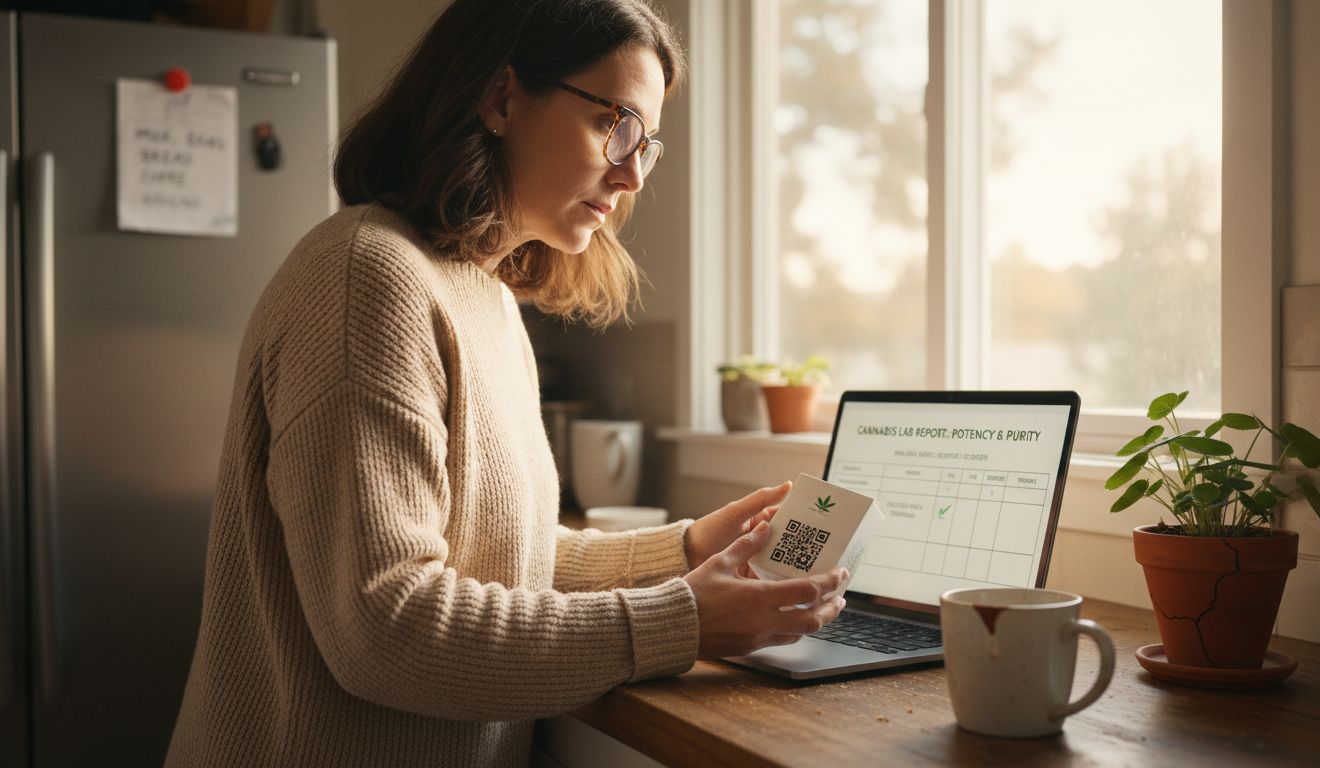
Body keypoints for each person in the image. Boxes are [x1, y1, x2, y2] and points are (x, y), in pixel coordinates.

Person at [165, 1, 846, 765]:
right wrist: (679, 620)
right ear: (501, 96)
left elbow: (504, 555)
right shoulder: (369, 278)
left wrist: (684, 550)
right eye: (615, 123)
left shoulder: (482, 293)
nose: (630, 174)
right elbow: (385, 628)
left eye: (646, 144)